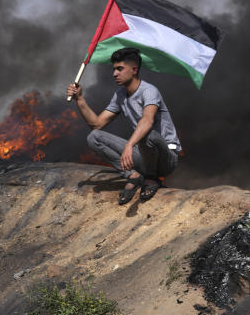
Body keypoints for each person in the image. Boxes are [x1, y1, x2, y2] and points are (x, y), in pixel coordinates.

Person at [67, 47, 181, 204]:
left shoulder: (149, 91)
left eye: (120, 69)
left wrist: (130, 145)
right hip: (143, 155)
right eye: (114, 69)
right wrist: (79, 99)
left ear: (134, 70)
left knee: (147, 134)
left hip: (166, 158)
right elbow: (96, 124)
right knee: (94, 137)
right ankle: (133, 176)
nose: (115, 74)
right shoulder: (120, 95)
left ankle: (152, 178)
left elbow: (147, 121)